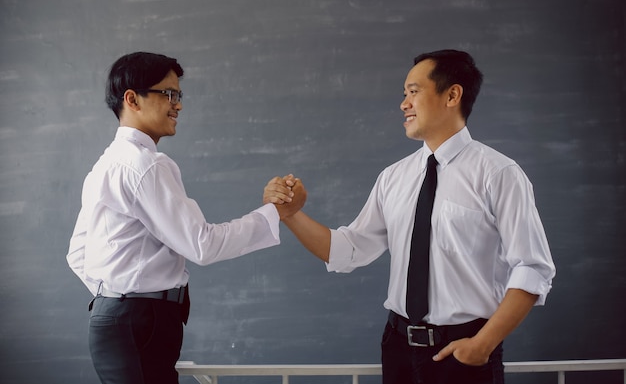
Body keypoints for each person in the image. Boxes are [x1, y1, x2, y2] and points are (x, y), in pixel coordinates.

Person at [264, 49, 556, 384]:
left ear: (452, 94)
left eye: (413, 92)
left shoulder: (499, 173)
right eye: (404, 94)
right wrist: (290, 214)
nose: (404, 104)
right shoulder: (393, 177)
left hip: (464, 351)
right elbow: (349, 250)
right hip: (398, 347)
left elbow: (532, 267)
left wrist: (482, 345)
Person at [67, 51, 305, 384]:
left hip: (119, 322)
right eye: (168, 94)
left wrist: (116, 297)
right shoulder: (148, 165)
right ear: (132, 99)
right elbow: (202, 245)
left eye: (179, 95)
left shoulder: (105, 164)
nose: (178, 105)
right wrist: (275, 213)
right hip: (142, 322)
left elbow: (78, 253)